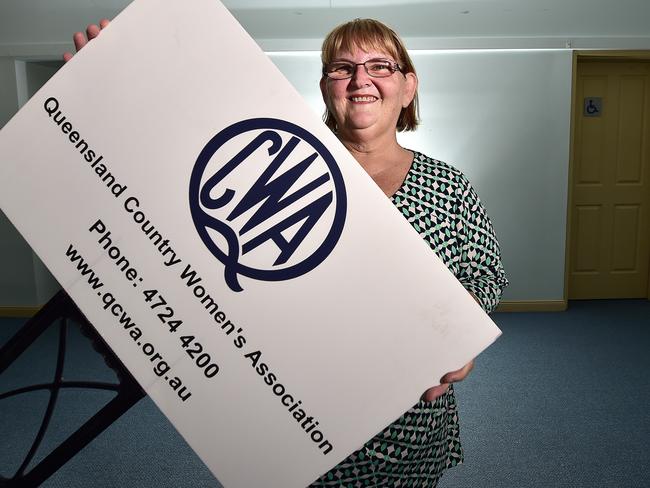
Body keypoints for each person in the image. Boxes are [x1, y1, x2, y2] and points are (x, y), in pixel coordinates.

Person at [65, 17, 507, 488]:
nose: (361, 80)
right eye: (342, 68)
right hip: (291, 424)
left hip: (410, 422)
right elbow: (178, 178)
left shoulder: (448, 185)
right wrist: (110, 93)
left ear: (407, 86)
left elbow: (485, 275)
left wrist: (457, 336)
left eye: (380, 65)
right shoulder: (282, 164)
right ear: (325, 88)